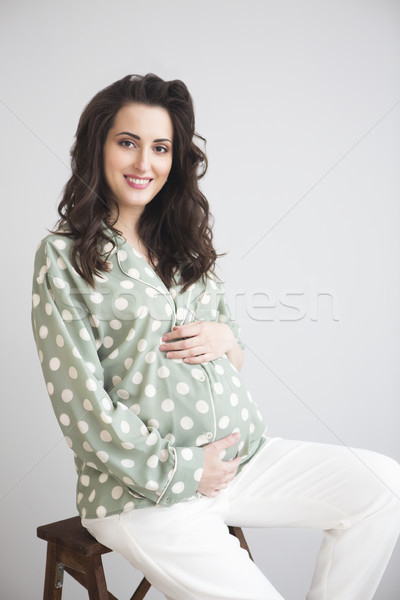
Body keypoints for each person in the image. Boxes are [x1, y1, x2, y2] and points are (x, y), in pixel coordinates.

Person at [32, 73, 400, 600]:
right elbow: (82, 411)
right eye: (128, 142)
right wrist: (186, 469)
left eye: (160, 148)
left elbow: (234, 359)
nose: (144, 164)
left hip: (241, 462)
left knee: (383, 485)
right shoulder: (63, 259)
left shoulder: (183, 242)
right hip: (144, 493)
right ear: (98, 146)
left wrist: (227, 337)